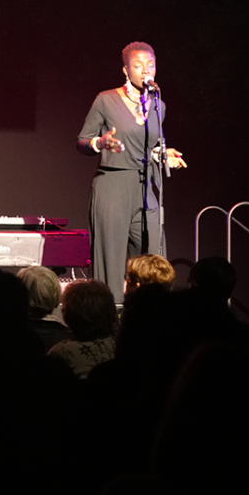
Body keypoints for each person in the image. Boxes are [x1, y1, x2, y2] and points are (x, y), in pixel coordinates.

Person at [78, 42, 187, 301]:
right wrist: (100, 143)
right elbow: (82, 141)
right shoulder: (106, 100)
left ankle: (148, 312)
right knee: (111, 259)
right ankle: (109, 314)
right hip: (113, 185)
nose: (146, 70)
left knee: (152, 258)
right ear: (126, 70)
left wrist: (163, 154)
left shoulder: (158, 106)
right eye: (138, 66)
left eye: (151, 65)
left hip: (145, 187)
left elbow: (149, 146)